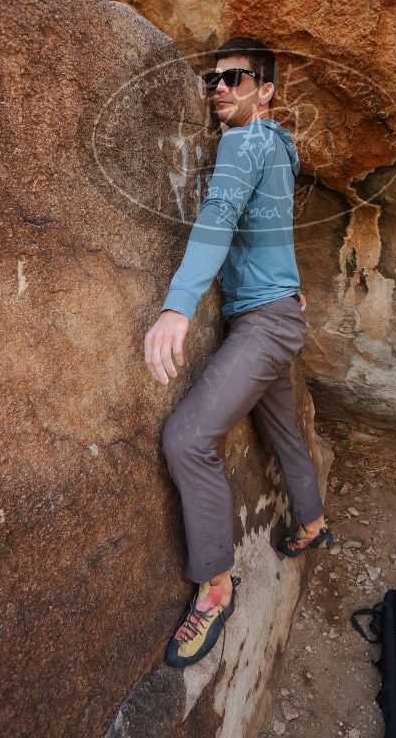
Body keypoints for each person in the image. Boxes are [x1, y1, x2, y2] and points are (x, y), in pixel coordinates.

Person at [144, 37, 333, 669]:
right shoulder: (279, 147)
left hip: (262, 324)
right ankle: (310, 522)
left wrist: (177, 304)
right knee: (281, 431)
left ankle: (217, 587)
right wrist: (291, 288)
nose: (220, 87)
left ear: (266, 89)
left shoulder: (245, 141)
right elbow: (272, 227)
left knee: (186, 437)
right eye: (213, 79)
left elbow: (221, 215)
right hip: (279, 317)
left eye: (236, 77)